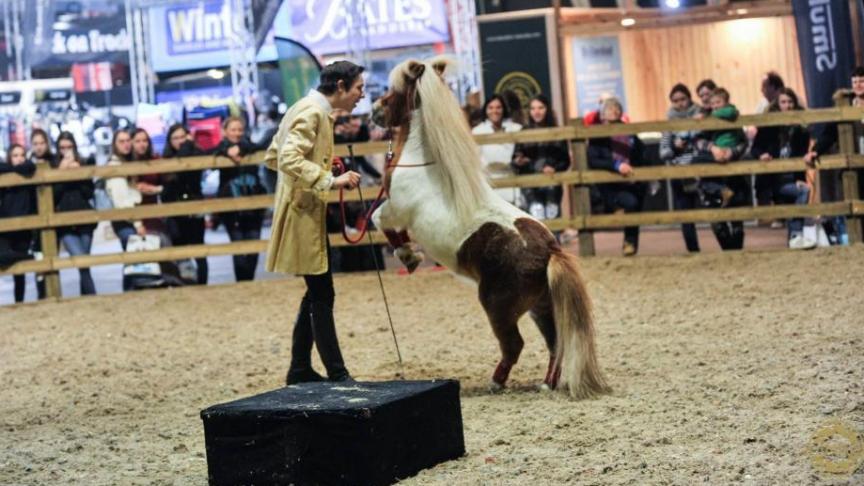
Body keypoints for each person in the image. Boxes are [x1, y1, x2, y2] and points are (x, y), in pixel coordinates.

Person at [264, 60, 364, 384]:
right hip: (303, 213)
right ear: (340, 87)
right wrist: (329, 179)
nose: (360, 95)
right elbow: (286, 158)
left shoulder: (301, 107)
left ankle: (299, 368)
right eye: (358, 88)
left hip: (303, 210)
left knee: (316, 291)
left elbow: (273, 153)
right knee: (322, 293)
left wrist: (322, 166)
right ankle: (338, 373)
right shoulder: (314, 112)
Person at [751, 87, 815, 249]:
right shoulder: (769, 125)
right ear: (778, 105)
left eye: (790, 102)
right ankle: (795, 236)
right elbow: (755, 148)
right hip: (772, 180)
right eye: (784, 102)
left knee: (802, 191)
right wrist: (762, 155)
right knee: (801, 193)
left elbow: (801, 156)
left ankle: (794, 239)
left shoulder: (801, 129)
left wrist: (800, 178)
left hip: (791, 177)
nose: (787, 105)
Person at [587, 97, 645, 256]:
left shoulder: (629, 132)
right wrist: (616, 165)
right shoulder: (597, 134)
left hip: (632, 179)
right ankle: (629, 241)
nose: (614, 111)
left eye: (616, 108)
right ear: (603, 114)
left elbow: (642, 153)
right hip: (609, 183)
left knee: (635, 206)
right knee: (630, 202)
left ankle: (630, 244)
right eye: (610, 108)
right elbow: (593, 159)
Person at [215, 116, 265, 282]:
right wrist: (226, 150)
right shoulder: (220, 149)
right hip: (231, 206)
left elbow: (259, 146)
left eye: (239, 130)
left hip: (254, 204)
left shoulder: (249, 146)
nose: (237, 133)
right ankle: (241, 282)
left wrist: (239, 148)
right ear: (225, 132)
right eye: (233, 130)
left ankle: (248, 281)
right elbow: (210, 153)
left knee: (253, 244)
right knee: (237, 244)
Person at [162, 123, 208, 284]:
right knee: (180, 250)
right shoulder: (167, 159)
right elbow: (176, 168)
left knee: (199, 250)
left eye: (183, 137)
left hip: (195, 206)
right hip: (175, 209)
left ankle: (203, 284)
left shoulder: (196, 153)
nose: (180, 141)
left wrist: (189, 146)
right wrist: (187, 145)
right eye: (176, 138)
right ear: (170, 141)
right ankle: (184, 283)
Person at [511, 94, 570, 220]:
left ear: (547, 109)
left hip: (552, 182)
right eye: (533, 108)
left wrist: (555, 168)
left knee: (552, 214)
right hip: (530, 183)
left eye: (540, 108)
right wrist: (519, 161)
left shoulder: (557, 131)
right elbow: (515, 159)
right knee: (536, 214)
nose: (536, 112)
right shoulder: (524, 131)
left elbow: (565, 160)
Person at [52, 132, 97, 296]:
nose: (66, 151)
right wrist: (61, 173)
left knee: (84, 262)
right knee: (81, 261)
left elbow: (89, 193)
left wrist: (79, 175)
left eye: (69, 147)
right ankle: (92, 296)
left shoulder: (83, 163)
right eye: (62, 148)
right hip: (65, 222)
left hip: (85, 219)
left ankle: (85, 298)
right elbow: (52, 196)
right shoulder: (53, 167)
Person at [659, 83, 701, 252]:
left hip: (701, 171)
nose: (680, 103)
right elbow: (663, 151)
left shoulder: (700, 116)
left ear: (689, 98)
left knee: (713, 211)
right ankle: (693, 250)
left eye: (683, 99)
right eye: (675, 100)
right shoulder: (669, 122)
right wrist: (675, 147)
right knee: (686, 214)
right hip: (680, 173)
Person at [0, 144, 37, 302]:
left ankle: (19, 301)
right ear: (9, 158)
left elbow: (30, 165)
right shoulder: (5, 173)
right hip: (5, 227)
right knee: (6, 258)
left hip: (24, 226)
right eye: (15, 155)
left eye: (22, 155)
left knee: (19, 271)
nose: (19, 158)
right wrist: (14, 169)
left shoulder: (28, 171)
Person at [472, 94, 523, 205]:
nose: (494, 111)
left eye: (498, 107)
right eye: (490, 107)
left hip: (512, 181)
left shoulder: (516, 128)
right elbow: (475, 161)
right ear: (485, 110)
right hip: (490, 183)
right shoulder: (477, 131)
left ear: (503, 109)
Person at [104, 129, 140, 250]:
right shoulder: (115, 166)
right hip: (126, 220)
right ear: (115, 145)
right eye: (121, 141)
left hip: (131, 217)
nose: (126, 144)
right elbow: (121, 202)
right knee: (135, 261)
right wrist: (138, 224)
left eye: (128, 140)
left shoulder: (129, 162)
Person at [27, 129, 53, 299]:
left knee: (51, 254)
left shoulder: (54, 162)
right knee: (38, 256)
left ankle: (52, 290)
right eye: (35, 143)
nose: (39, 147)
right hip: (34, 216)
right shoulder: (27, 165)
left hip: (52, 214)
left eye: (42, 143)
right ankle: (41, 293)